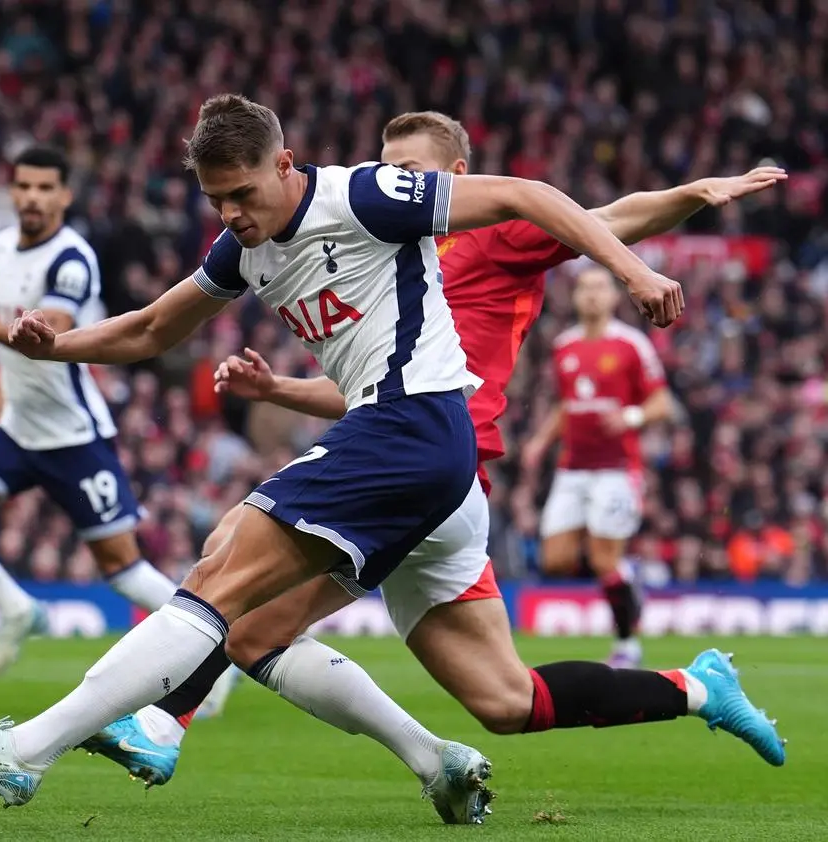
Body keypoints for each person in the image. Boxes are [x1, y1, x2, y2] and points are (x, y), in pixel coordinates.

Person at [0, 94, 702, 820]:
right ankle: (438, 760)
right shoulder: (242, 248)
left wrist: (633, 274)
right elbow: (151, 329)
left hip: (410, 428)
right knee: (265, 629)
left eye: (243, 193)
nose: (231, 213)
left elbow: (529, 196)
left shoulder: (361, 195)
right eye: (216, 199)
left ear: (282, 165)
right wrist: (58, 347)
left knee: (218, 579)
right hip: (421, 459)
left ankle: (32, 751)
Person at [76, 111, 786, 799]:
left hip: (434, 459)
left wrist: (690, 195)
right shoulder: (377, 246)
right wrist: (278, 389)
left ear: (454, 174)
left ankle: (163, 723)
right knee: (508, 701)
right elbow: (365, 384)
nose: (392, 182)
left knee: (238, 563)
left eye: (408, 171)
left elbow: (609, 215)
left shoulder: (490, 237)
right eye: (385, 169)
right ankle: (696, 688)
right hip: (404, 457)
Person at [0, 146, 187, 677]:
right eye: (24, 186)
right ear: (12, 192)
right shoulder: (1, 247)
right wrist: (0, 391)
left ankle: (211, 645)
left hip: (72, 436)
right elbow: (7, 331)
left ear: (64, 195)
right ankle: (17, 608)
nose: (33, 197)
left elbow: (50, 334)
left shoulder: (72, 258)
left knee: (124, 572)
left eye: (45, 188)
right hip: (19, 428)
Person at [522, 266, 674, 667]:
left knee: (604, 558)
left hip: (617, 468)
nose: (591, 295)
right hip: (573, 468)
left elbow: (661, 403)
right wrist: (540, 442)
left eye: (599, 288)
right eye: (584, 289)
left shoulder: (631, 345)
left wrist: (629, 418)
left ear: (612, 298)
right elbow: (565, 406)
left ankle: (627, 644)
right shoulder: (564, 346)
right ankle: (626, 579)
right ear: (575, 299)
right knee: (554, 559)